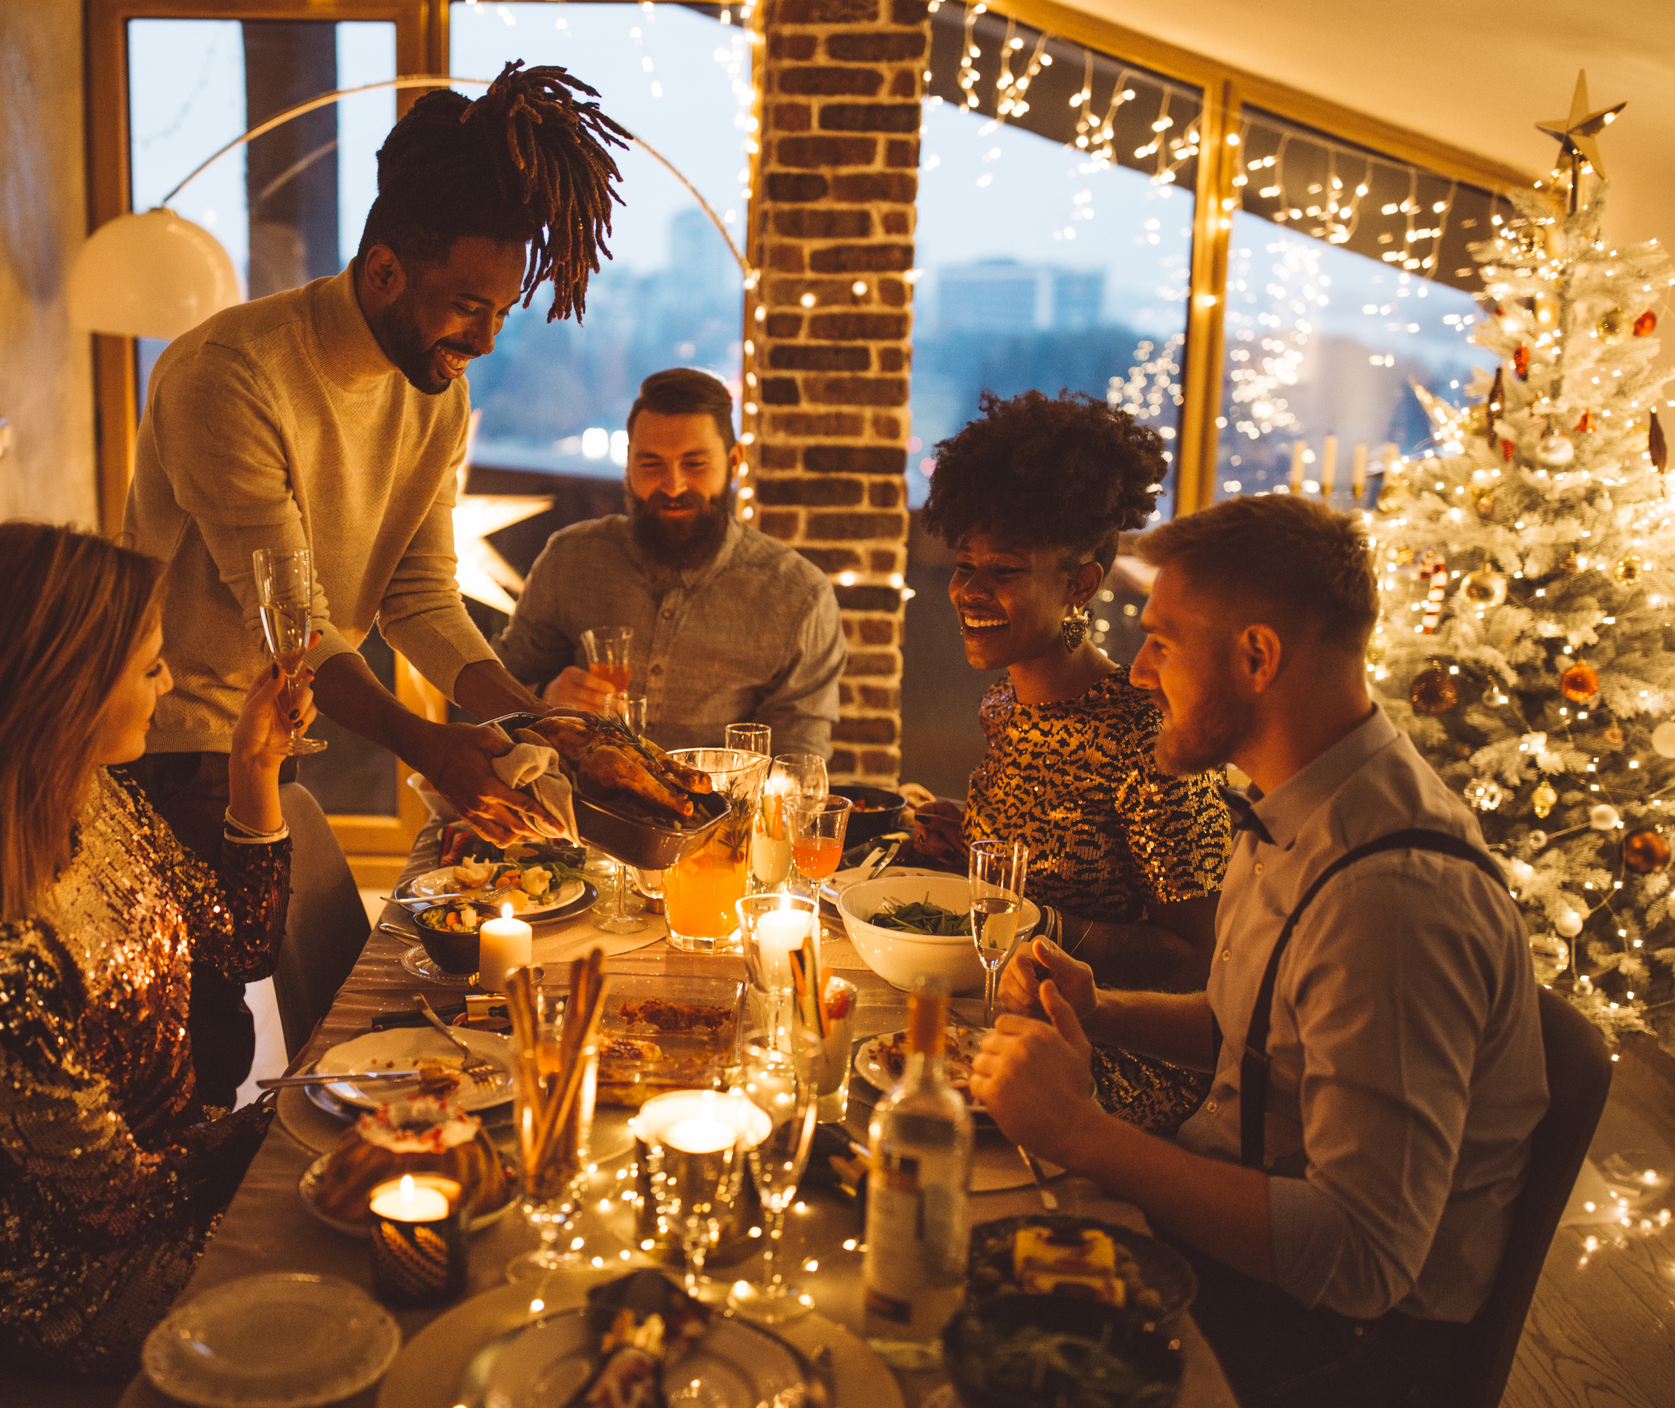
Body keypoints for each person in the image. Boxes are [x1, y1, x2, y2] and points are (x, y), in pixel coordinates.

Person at [123, 63, 630, 1102]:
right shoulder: (231, 375)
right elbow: (293, 626)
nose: (485, 339)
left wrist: (529, 720)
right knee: (191, 1038)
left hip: (269, 736)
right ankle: (182, 1245)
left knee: (231, 1008)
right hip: (165, 741)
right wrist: (436, 749)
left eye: (502, 312)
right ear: (387, 270)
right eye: (467, 307)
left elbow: (421, 594)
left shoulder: (433, 395)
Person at [974, 495, 1547, 1407]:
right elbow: (1260, 1031)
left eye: (1162, 641)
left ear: (1257, 656)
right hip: (1239, 1244)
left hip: (1342, 1345)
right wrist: (1099, 1010)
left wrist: (1082, 1132)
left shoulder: (1389, 901)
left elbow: (1361, 1257)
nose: (1137, 669)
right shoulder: (1294, 801)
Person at [0, 523, 311, 1382]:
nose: (170, 683)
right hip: (79, 1283)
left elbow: (241, 945)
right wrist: (299, 1115)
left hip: (179, 1179)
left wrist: (253, 769)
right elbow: (115, 1206)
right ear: (64, 685)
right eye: (150, 666)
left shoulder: (93, 795)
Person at [902, 390, 1229, 1134]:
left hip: (1114, 1063)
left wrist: (1043, 922)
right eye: (965, 565)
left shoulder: (1153, 738)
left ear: (1080, 583)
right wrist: (964, 837)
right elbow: (1041, 852)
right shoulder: (1005, 704)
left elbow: (1197, 964)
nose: (970, 591)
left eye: (1007, 571)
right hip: (1001, 1010)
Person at [492, 367, 844, 757]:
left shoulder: (798, 595)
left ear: (734, 460)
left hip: (720, 814)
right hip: (573, 812)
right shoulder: (571, 560)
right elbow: (493, 695)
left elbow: (799, 759)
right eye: (651, 464)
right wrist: (546, 698)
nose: (673, 486)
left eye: (694, 464)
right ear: (628, 462)